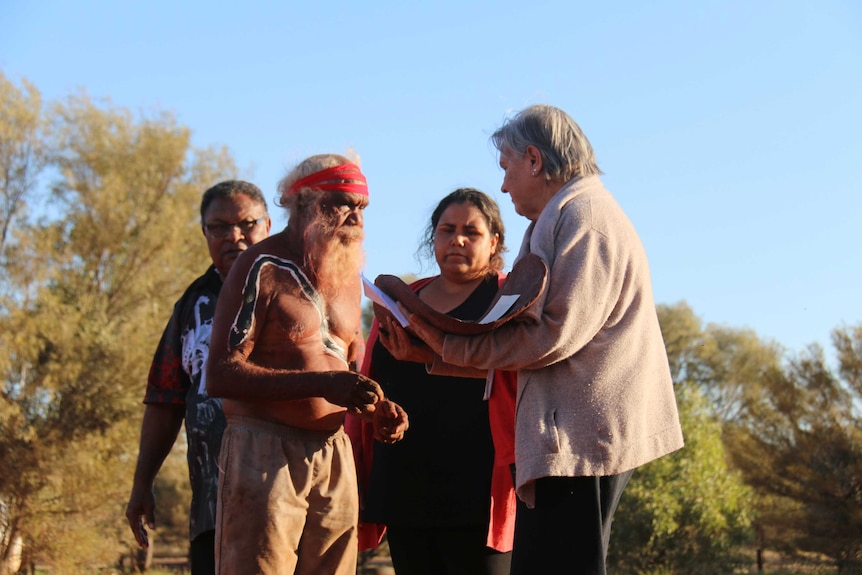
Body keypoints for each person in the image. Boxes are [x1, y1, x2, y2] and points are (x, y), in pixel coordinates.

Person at [401, 105, 685, 575]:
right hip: (569, 435)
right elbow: (532, 342)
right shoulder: (562, 216)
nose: (504, 184)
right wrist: (432, 353)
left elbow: (553, 336)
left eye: (507, 167)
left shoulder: (585, 216)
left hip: (580, 439)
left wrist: (446, 344)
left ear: (533, 159)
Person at [205, 154, 409, 575]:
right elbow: (221, 373)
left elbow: (343, 372)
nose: (354, 216)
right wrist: (321, 384)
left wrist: (377, 408)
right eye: (340, 202)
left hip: (335, 453)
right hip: (264, 452)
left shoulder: (349, 278)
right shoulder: (259, 267)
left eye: (362, 208)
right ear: (301, 204)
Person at [348, 188, 518, 575]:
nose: (457, 239)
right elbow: (371, 380)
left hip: (480, 490)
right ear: (433, 238)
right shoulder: (402, 301)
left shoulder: (508, 299)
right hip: (406, 485)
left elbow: (517, 373)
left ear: (494, 242)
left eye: (471, 232)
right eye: (446, 229)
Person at [126, 180, 272, 575]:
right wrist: (143, 483)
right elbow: (164, 399)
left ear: (269, 225)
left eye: (246, 224)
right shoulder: (192, 304)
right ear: (204, 232)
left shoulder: (297, 293)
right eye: (219, 227)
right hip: (211, 506)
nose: (234, 236)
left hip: (283, 498)